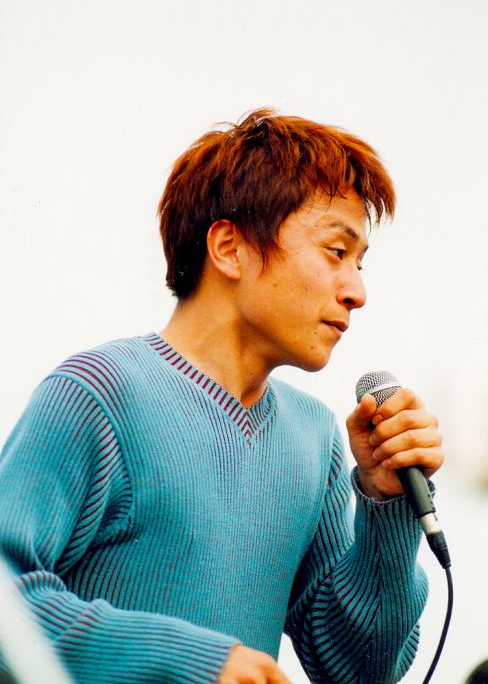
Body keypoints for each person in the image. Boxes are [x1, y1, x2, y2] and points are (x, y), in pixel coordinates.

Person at [0, 108, 443, 683]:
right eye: (337, 252)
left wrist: (387, 506)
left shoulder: (315, 438)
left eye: (360, 264)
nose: (357, 291)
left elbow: (361, 671)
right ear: (230, 247)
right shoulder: (98, 394)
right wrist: (191, 663)